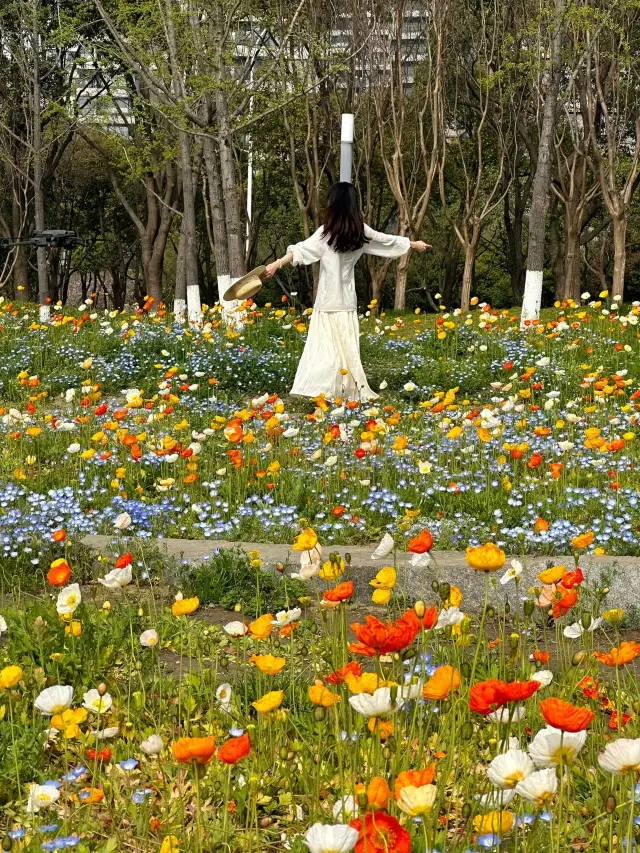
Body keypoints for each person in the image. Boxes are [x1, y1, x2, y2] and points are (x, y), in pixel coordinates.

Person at [263, 182, 430, 401]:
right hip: (346, 300)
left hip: (326, 300)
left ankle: (320, 386)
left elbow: (300, 250)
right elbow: (387, 241)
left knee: (324, 348)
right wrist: (413, 243)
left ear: (333, 204)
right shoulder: (360, 231)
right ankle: (344, 387)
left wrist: (276, 264)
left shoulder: (326, 233)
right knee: (346, 348)